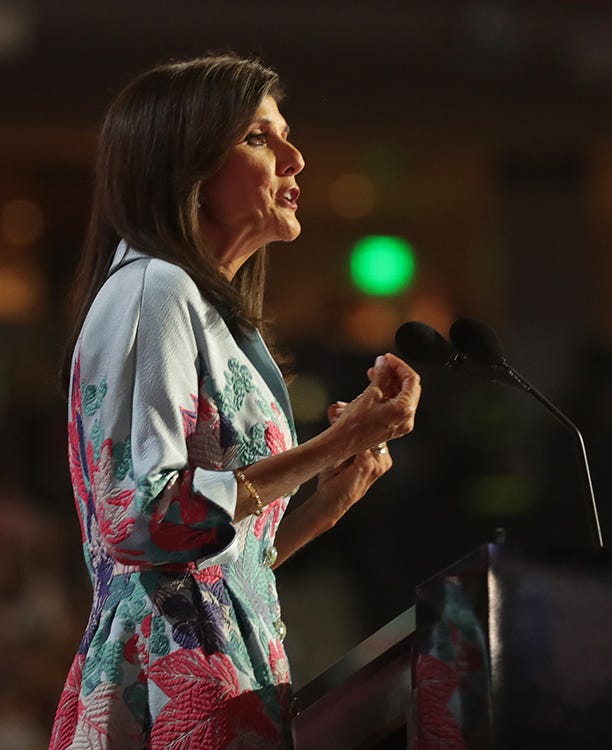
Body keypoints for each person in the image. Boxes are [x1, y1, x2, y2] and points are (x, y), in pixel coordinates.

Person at [49, 54, 421, 749]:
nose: (295, 158)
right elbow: (143, 522)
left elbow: (207, 571)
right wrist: (332, 445)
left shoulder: (200, 306)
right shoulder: (153, 288)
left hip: (221, 672)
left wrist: (326, 502)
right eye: (259, 137)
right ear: (183, 163)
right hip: (165, 689)